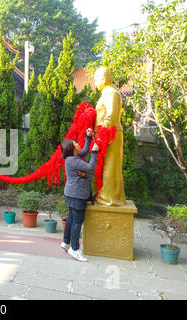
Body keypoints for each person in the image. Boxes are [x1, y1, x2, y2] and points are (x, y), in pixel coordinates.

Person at [60, 134, 99, 262]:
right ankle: (75, 249)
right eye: (75, 143)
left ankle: (66, 242)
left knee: (71, 217)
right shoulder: (74, 160)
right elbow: (90, 167)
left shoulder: (71, 158)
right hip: (77, 195)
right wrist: (94, 152)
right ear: (72, 148)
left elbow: (83, 151)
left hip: (71, 194)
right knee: (77, 221)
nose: (77, 143)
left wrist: (88, 138)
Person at [94, 67, 126, 206]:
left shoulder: (111, 93)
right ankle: (104, 195)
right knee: (105, 166)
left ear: (103, 78)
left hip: (110, 135)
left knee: (110, 168)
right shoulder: (107, 93)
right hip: (106, 134)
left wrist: (101, 136)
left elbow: (111, 116)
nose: (95, 82)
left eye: (96, 79)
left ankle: (110, 198)